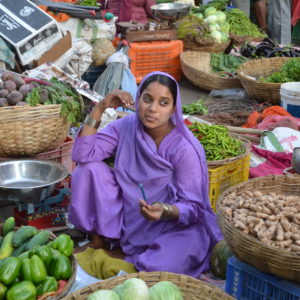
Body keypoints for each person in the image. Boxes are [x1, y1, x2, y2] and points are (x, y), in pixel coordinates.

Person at [69, 71, 223, 277]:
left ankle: (129, 258)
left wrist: (165, 210)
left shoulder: (185, 148)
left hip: (172, 227)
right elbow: (82, 153)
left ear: (173, 109)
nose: (152, 109)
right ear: (138, 99)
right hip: (130, 218)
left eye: (163, 103)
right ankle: (99, 241)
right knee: (88, 169)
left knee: (161, 267)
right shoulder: (126, 127)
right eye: (147, 99)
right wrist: (100, 107)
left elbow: (194, 208)